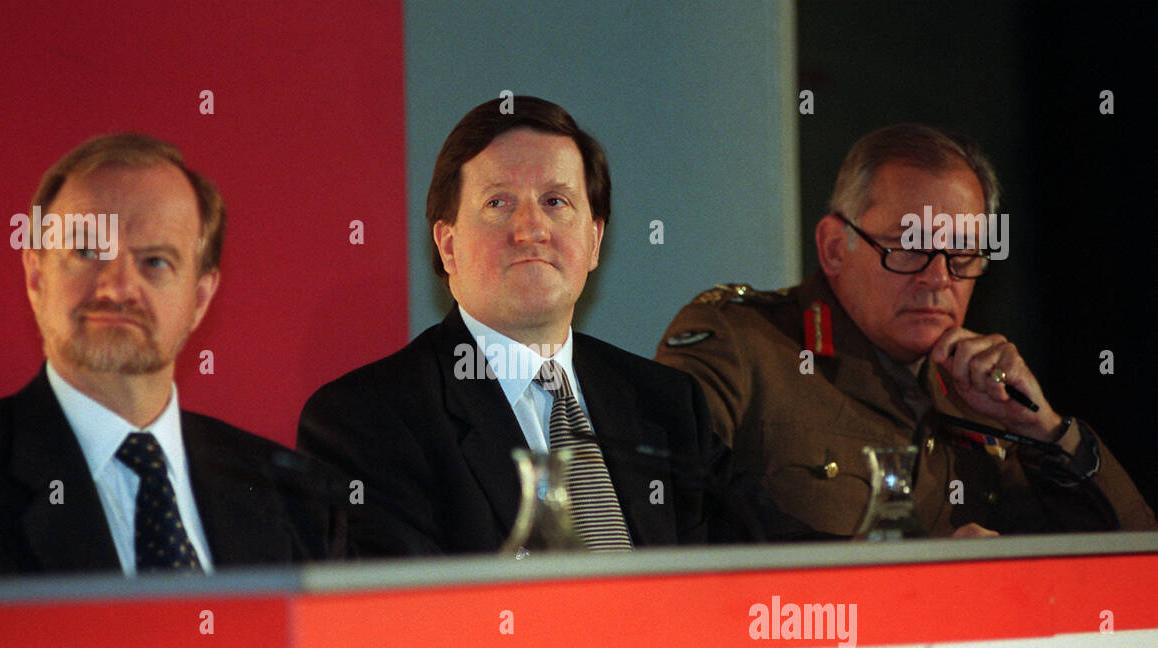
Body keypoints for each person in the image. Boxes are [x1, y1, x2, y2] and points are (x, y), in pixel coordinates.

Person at [0, 133, 337, 577]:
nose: (117, 287)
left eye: (155, 261)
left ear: (200, 298)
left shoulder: (296, 499)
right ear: (36, 276)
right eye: (87, 252)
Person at [656, 124, 1155, 540]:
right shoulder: (742, 345)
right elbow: (666, 518)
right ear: (834, 246)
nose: (938, 278)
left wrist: (1043, 429)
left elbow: (1135, 558)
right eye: (909, 247)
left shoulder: (979, 392)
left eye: (962, 254)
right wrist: (912, 574)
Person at [298, 96, 730, 557]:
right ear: (448, 246)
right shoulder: (365, 420)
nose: (531, 229)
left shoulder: (670, 405)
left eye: (555, 201)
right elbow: (406, 619)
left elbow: (766, 565)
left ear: (594, 240)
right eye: (499, 202)